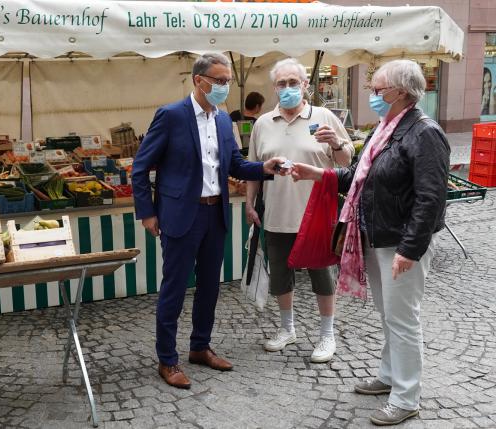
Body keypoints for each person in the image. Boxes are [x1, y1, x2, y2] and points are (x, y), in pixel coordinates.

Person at [290, 59, 450, 426]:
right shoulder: (387, 128)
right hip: (375, 236)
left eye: (378, 90)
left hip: (400, 242)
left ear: (402, 92)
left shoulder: (424, 132)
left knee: (403, 318)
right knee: (388, 315)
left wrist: (410, 249)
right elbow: (362, 179)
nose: (373, 96)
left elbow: (430, 199)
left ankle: (406, 396)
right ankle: (390, 375)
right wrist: (321, 173)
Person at [131, 53, 289, 390]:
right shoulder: (171, 115)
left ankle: (200, 347)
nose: (224, 86)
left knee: (209, 287)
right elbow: (140, 167)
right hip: (179, 215)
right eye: (218, 80)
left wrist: (264, 168)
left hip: (214, 214)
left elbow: (234, 165)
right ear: (198, 80)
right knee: (173, 289)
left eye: (228, 80)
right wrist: (147, 212)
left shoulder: (222, 121)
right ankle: (167, 359)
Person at [246, 58, 354, 362]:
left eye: (294, 82)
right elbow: (255, 168)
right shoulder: (263, 123)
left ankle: (326, 335)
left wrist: (336, 144)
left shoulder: (324, 117)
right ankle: (287, 328)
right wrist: (250, 204)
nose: (288, 88)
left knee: (322, 276)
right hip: (277, 213)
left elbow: (347, 162)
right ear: (274, 88)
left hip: (318, 214)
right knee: (281, 274)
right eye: (282, 84)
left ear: (305, 85)